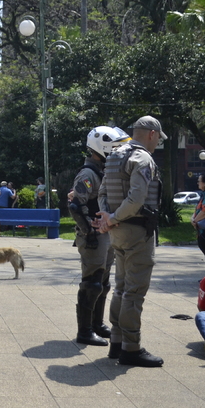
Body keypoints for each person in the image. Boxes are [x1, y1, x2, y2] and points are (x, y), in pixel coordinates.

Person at [95, 115, 166, 368]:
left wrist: (108, 218)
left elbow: (103, 192)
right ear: (151, 134)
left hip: (118, 232)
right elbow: (137, 199)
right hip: (137, 231)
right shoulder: (142, 158)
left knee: (121, 287)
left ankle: (116, 341)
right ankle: (131, 348)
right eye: (158, 137)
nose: (157, 143)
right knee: (134, 292)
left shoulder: (114, 155)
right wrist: (112, 217)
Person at [72, 126, 130, 346]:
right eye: (114, 148)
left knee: (103, 283)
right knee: (92, 283)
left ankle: (97, 324)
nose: (118, 151)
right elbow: (76, 205)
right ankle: (84, 331)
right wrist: (89, 232)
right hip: (93, 235)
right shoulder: (88, 174)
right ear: (103, 147)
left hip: (104, 233)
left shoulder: (102, 171)